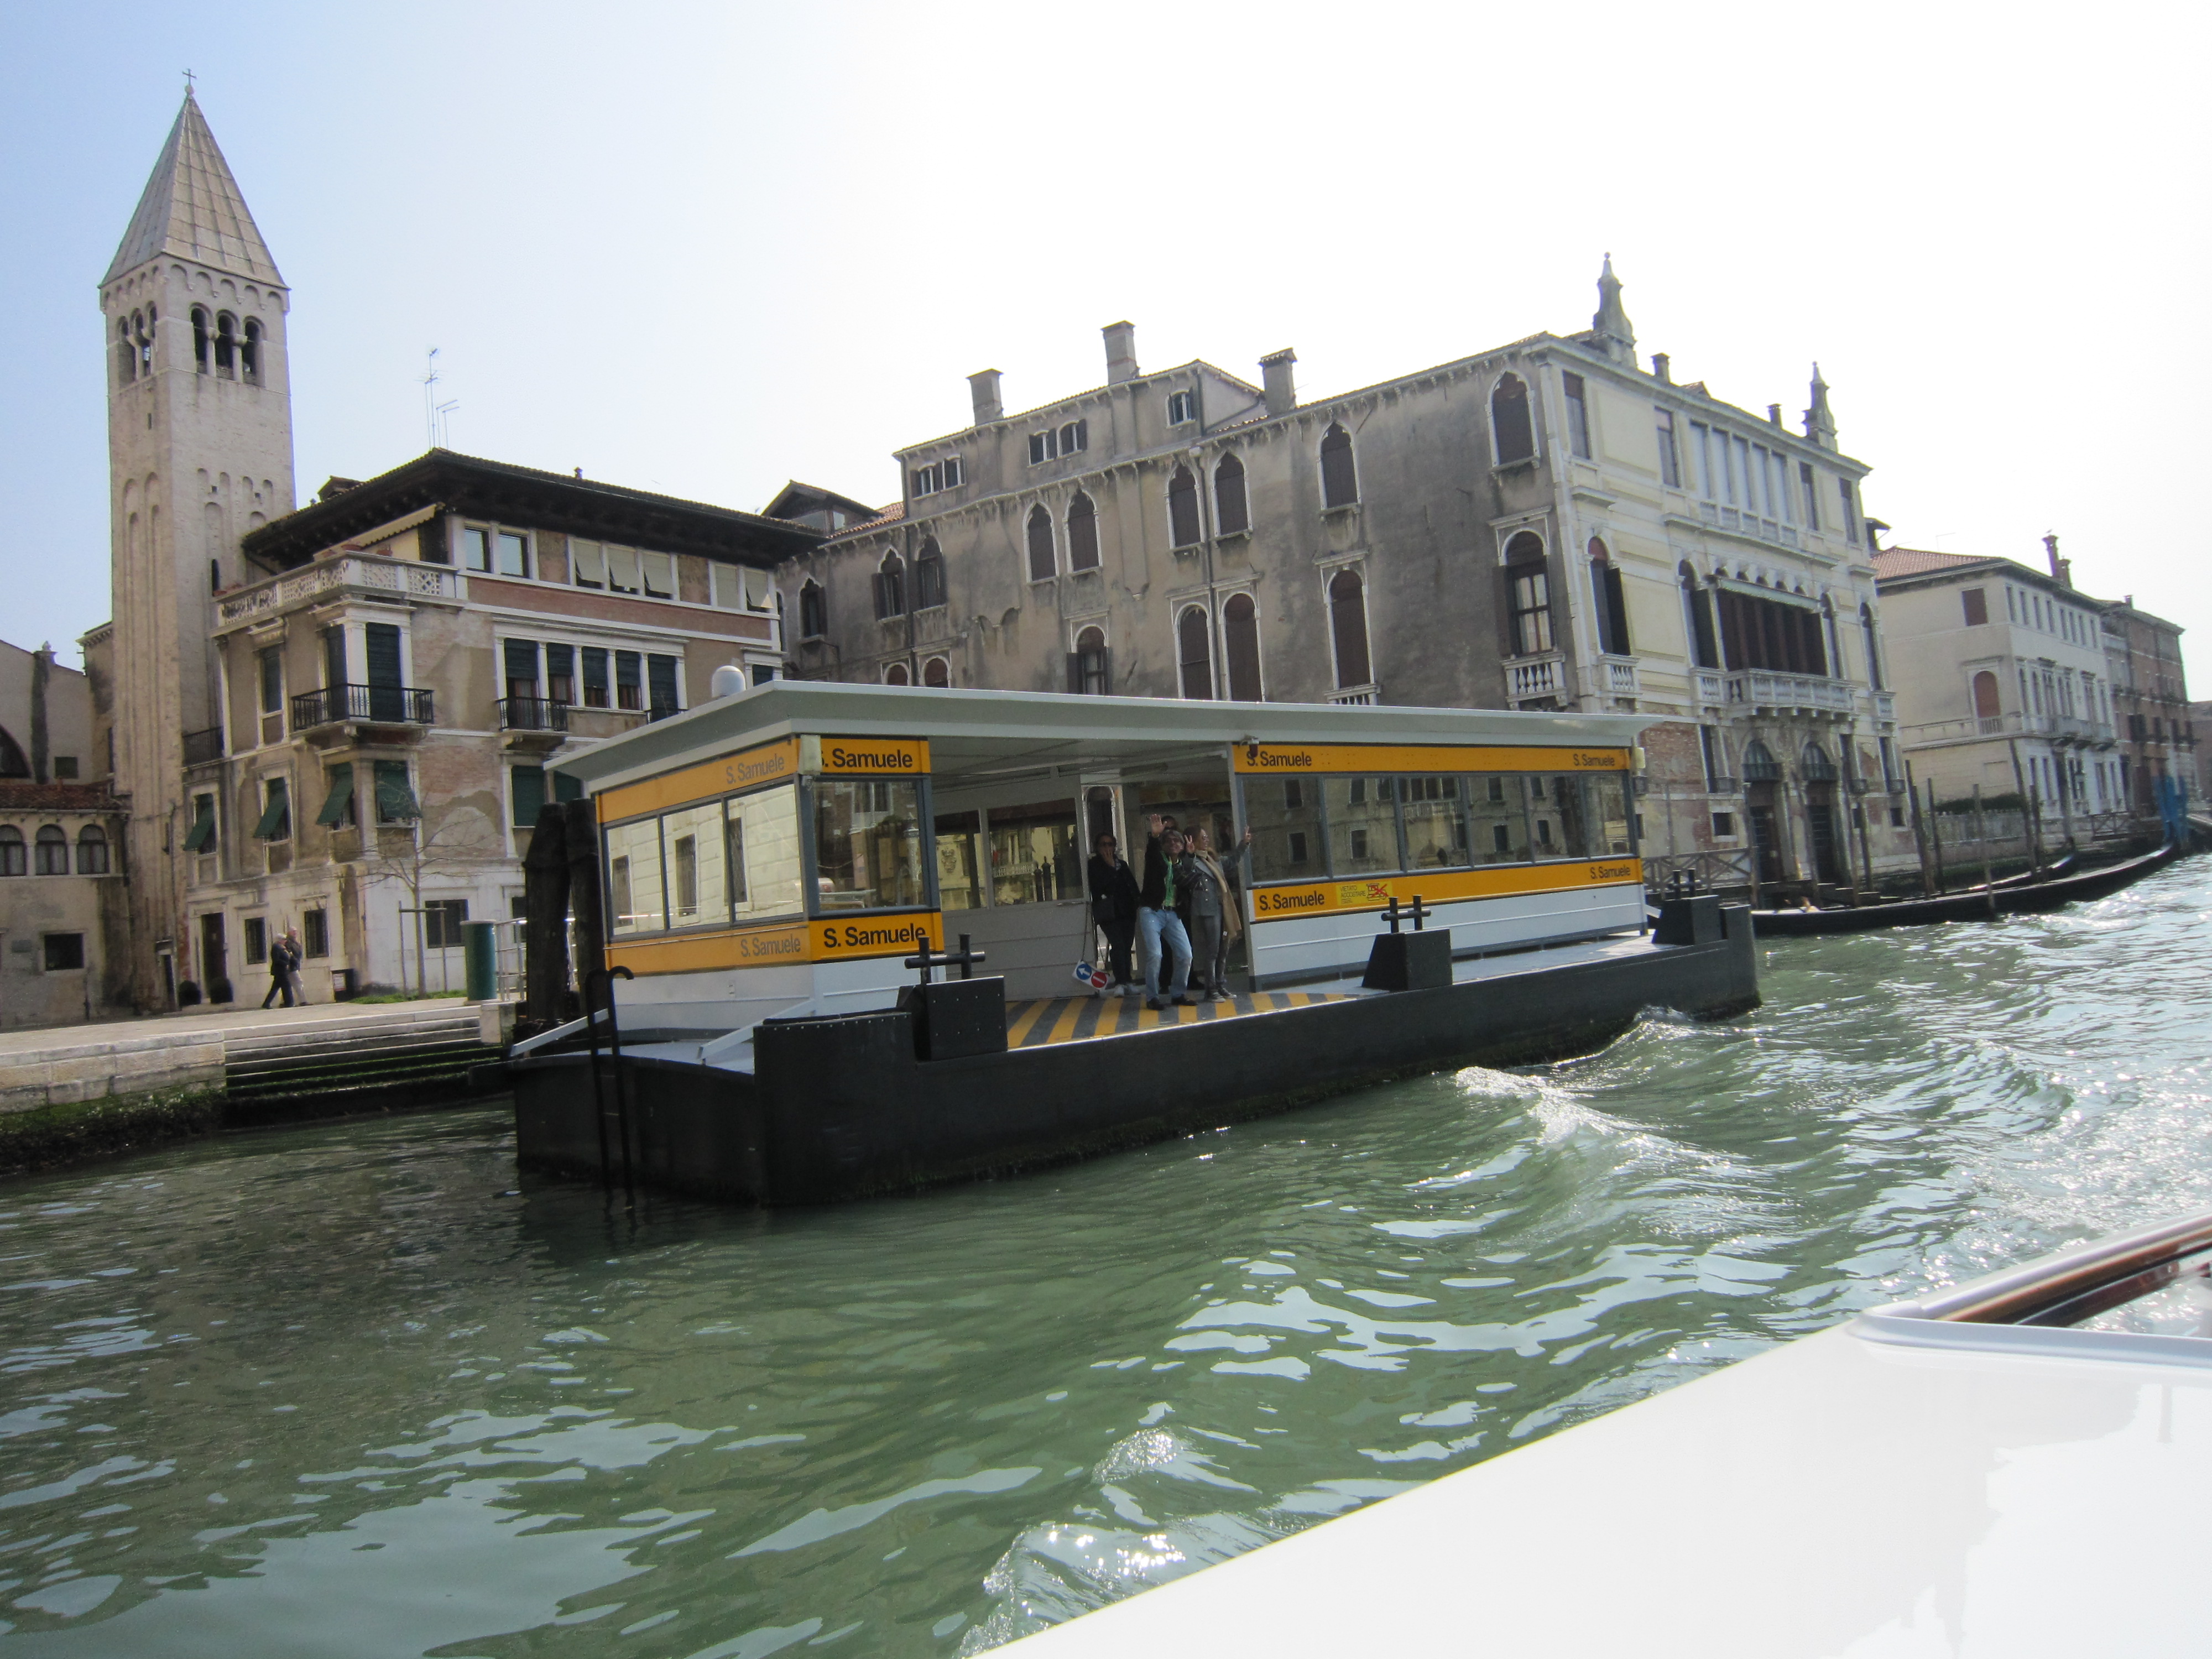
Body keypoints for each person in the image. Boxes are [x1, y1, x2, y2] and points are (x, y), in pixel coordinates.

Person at [1135, 813, 1194, 1009]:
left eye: (1177, 841)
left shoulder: (1183, 864)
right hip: (1152, 911)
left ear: (1183, 846)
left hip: (1172, 913)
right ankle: (1152, 997)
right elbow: (1151, 851)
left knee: (1186, 955)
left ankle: (1178, 994)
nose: (1173, 843)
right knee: (1155, 955)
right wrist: (1154, 836)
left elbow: (1191, 877)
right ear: (1162, 845)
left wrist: (1191, 855)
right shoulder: (1156, 859)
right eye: (1168, 841)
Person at [1187, 826, 1251, 999]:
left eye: (1207, 837)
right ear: (1194, 840)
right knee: (1213, 950)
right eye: (1203, 837)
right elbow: (1186, 873)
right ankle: (1211, 989)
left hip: (1222, 906)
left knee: (1224, 947)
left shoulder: (1212, 857)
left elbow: (1230, 862)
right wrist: (1190, 854)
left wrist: (1244, 844)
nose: (1207, 840)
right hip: (1208, 910)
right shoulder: (1192, 860)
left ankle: (1220, 984)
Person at [1086, 831, 1141, 998]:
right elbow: (1099, 888)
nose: (1107, 848)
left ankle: (1128, 981)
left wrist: (1136, 903)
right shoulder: (1094, 865)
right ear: (1097, 847)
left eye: (1110, 844)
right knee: (1118, 946)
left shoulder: (1122, 864)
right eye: (1103, 845)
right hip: (1109, 912)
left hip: (1127, 911)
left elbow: (1130, 885)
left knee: (1127, 946)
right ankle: (1120, 982)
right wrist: (1110, 868)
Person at [260, 928, 297, 1009]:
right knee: (287, 986)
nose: (286, 941)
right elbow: (276, 959)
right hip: (280, 971)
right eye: (284, 939)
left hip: (283, 971)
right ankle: (289, 1003)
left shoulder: (282, 947)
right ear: (280, 940)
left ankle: (267, 1004)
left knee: (276, 988)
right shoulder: (276, 947)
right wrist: (285, 964)